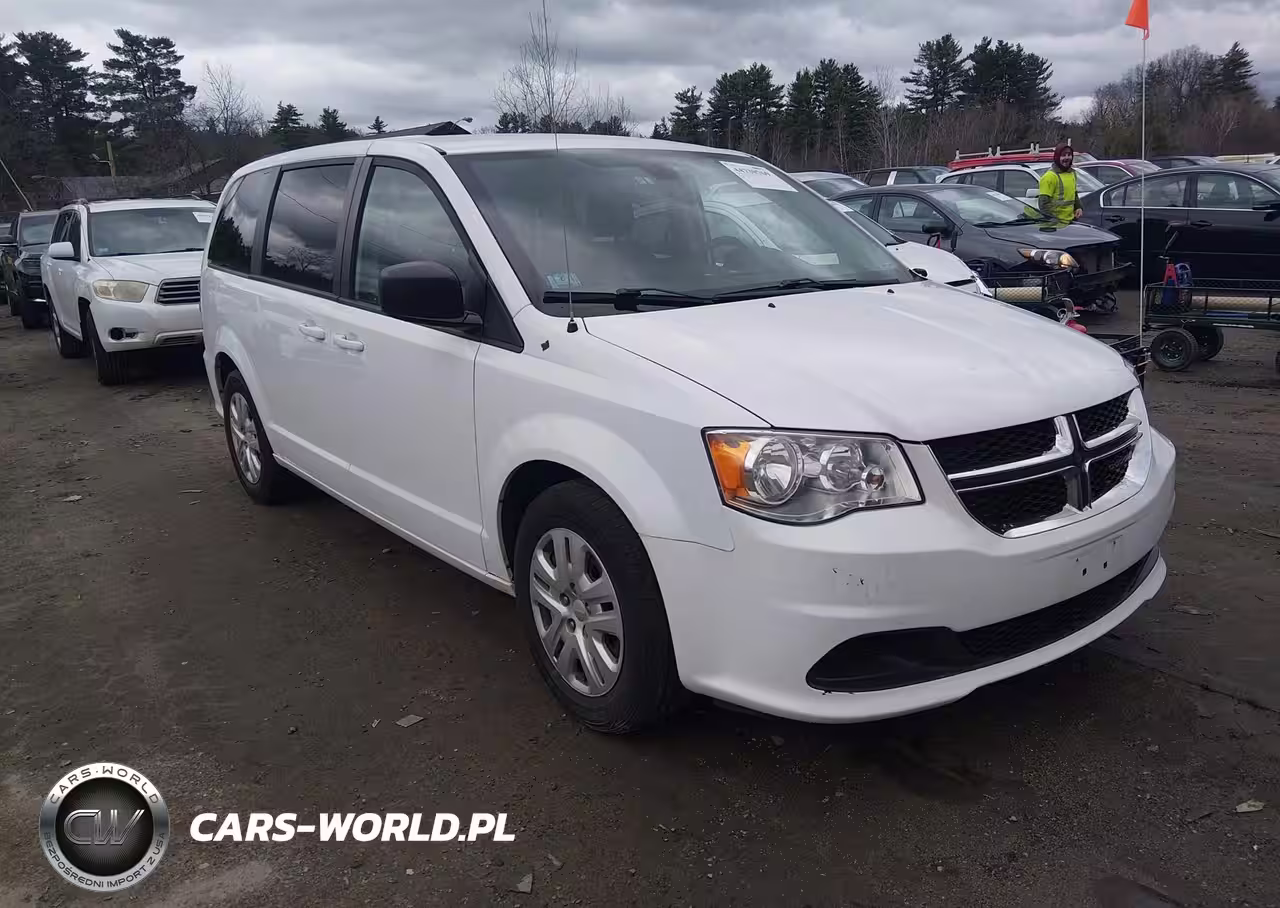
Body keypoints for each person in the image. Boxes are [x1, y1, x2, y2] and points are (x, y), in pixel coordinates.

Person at [1037, 144, 1083, 226]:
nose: (1067, 158)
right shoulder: (1049, 177)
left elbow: (1074, 194)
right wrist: (1052, 220)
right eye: (1063, 155)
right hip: (1054, 225)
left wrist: (1078, 207)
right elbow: (1043, 204)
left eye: (1069, 155)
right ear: (1057, 157)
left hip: (1070, 222)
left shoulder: (1072, 173)